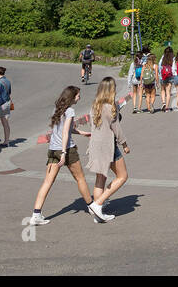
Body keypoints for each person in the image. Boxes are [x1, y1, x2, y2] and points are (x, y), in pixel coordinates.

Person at [29, 86, 105, 225]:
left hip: (52, 150)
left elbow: (66, 129)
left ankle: (36, 214)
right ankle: (92, 207)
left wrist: (83, 133)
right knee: (80, 178)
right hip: (67, 150)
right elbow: (65, 132)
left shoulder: (57, 109)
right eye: (77, 95)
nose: (79, 97)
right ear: (72, 96)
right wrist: (64, 153)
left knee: (47, 182)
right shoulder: (70, 111)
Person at [86, 77, 131, 218]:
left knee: (101, 177)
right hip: (108, 146)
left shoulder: (94, 106)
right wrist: (125, 144)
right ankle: (98, 204)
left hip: (95, 144)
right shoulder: (110, 107)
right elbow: (117, 129)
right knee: (122, 176)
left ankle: (97, 210)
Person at [0, 66, 13, 142]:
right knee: (5, 123)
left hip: (0, 105)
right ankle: (6, 141)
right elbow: (9, 92)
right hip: (7, 103)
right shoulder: (8, 81)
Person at [157, 47, 175, 112]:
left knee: (162, 90)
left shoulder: (162, 58)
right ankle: (167, 107)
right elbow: (174, 68)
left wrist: (160, 74)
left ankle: (163, 103)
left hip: (163, 76)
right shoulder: (173, 58)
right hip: (170, 76)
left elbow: (159, 67)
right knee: (168, 92)